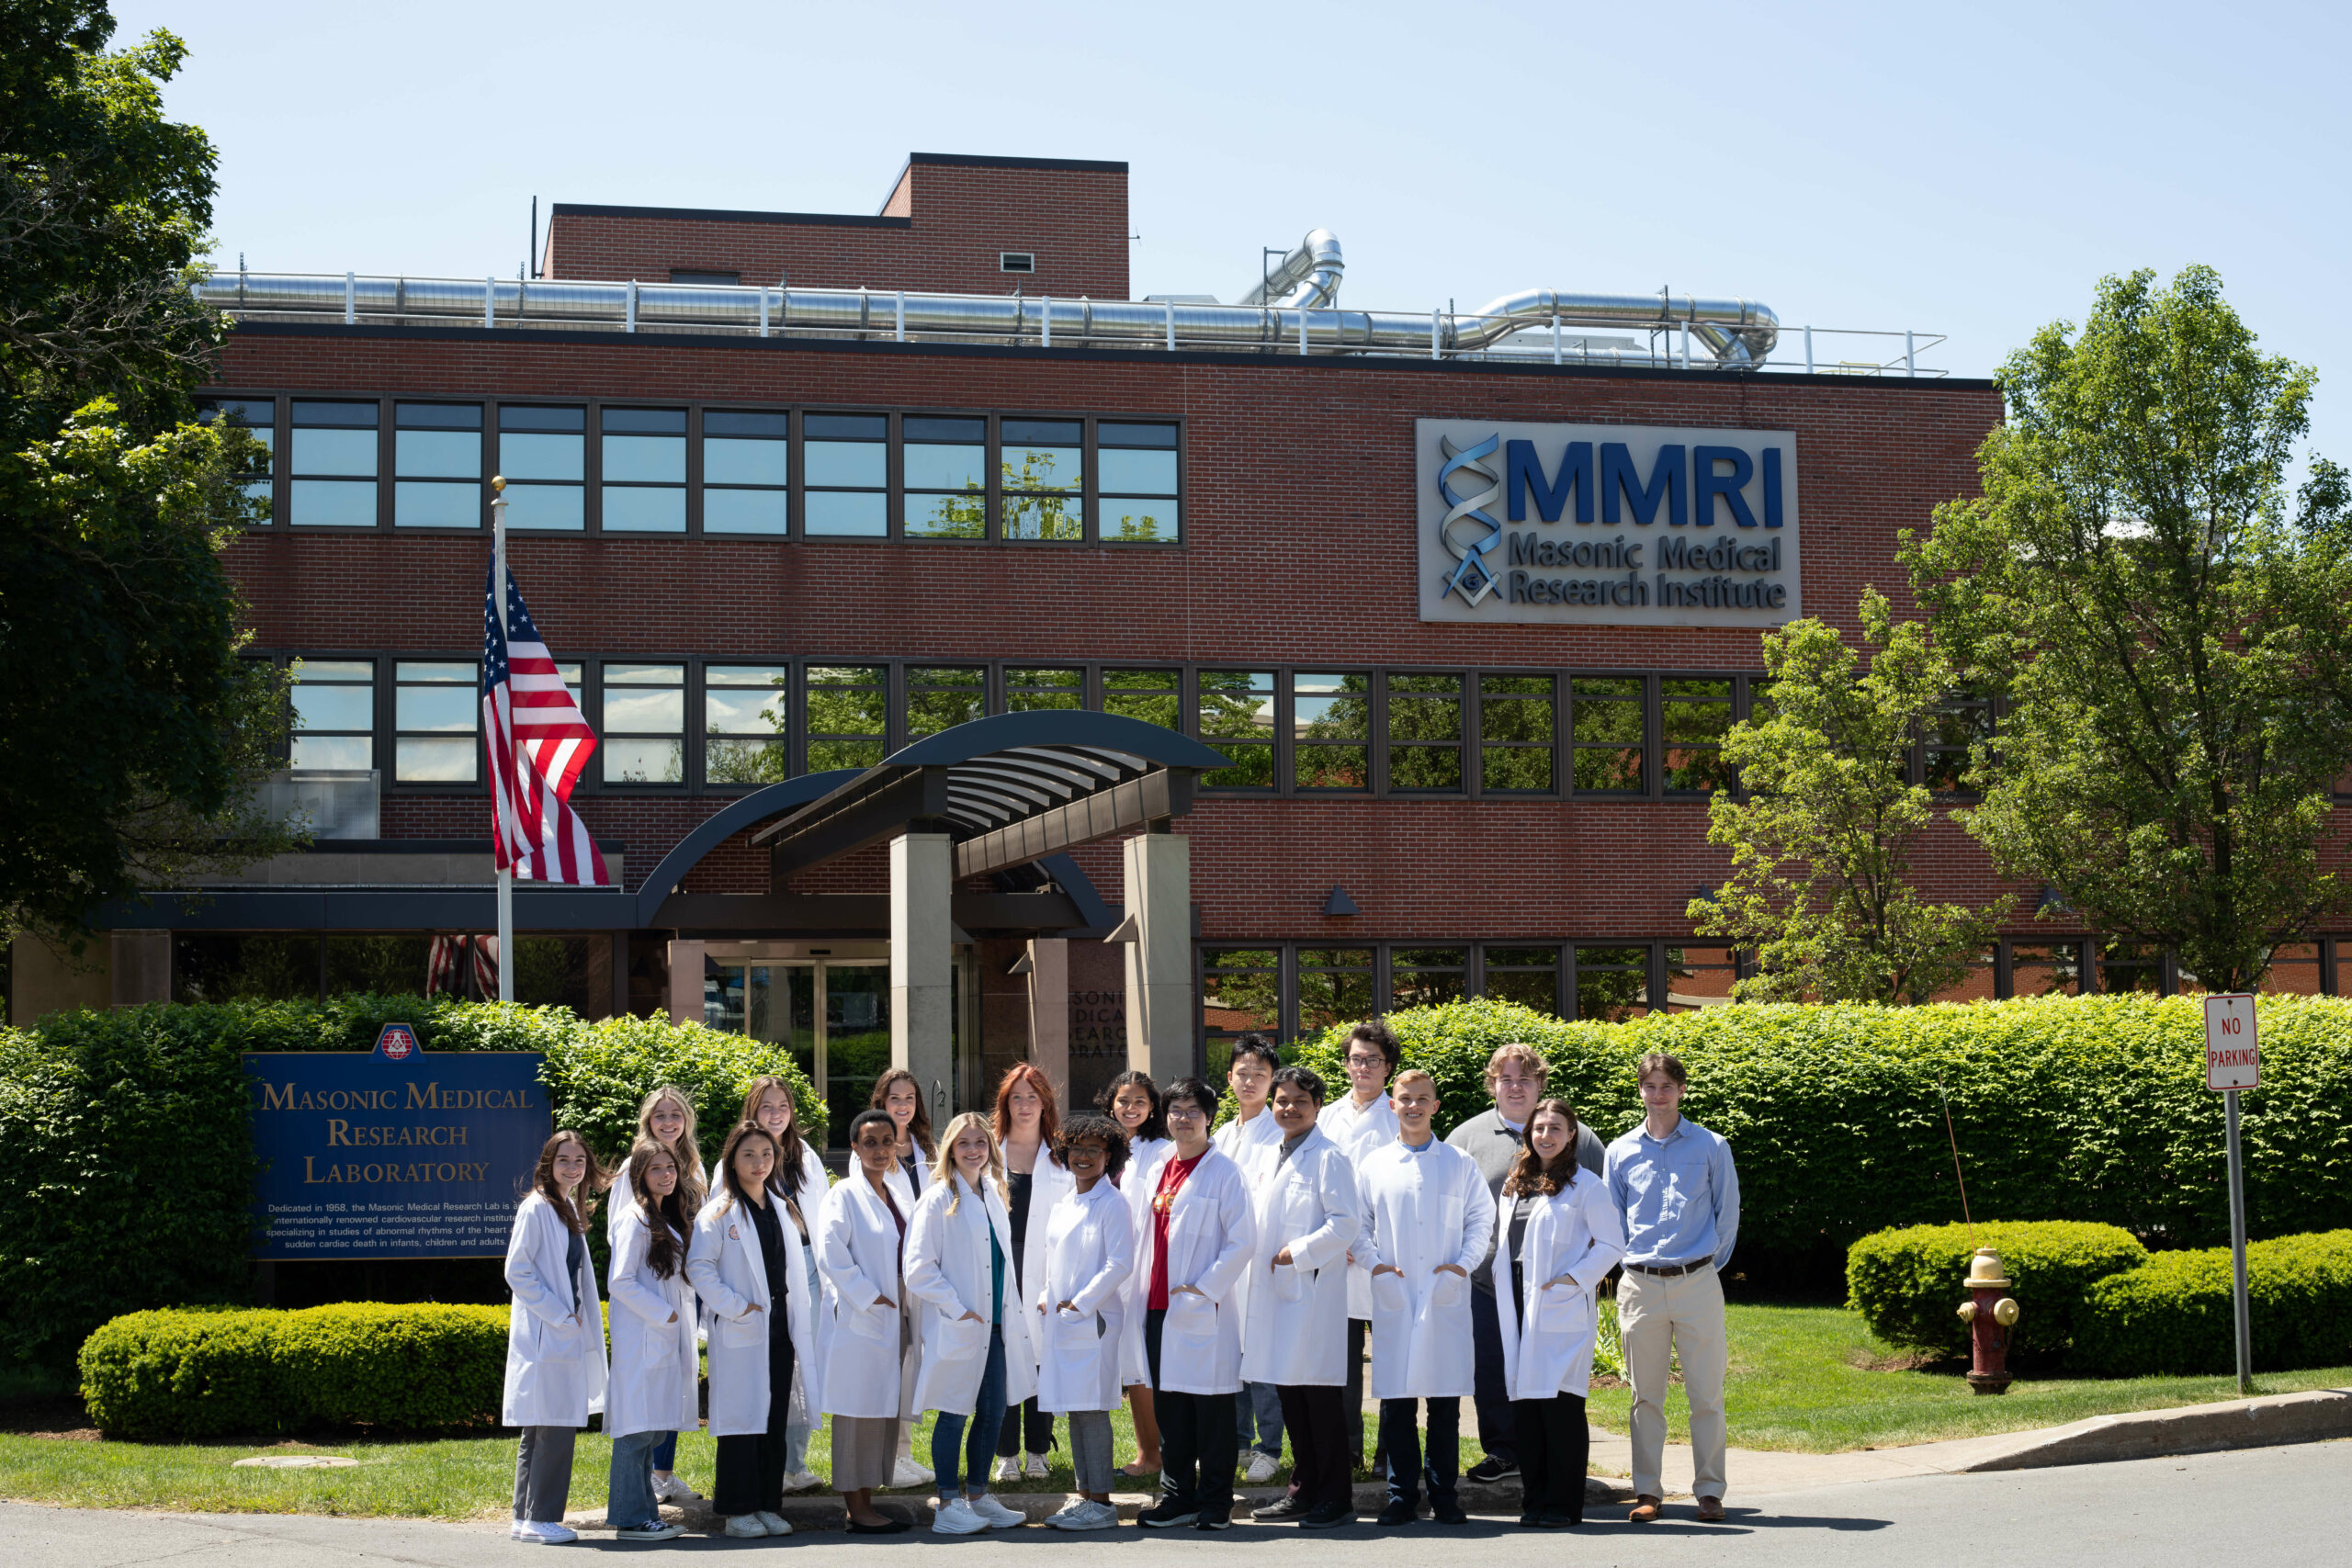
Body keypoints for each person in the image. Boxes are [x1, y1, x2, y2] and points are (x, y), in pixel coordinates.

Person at [1446, 1041, 1602, 1485]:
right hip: (1486, 1280)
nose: (1515, 1088)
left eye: (1525, 1079)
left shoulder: (1581, 1137)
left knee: (1553, 1371)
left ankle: (1549, 1452)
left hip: (1555, 1283)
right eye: (1506, 1079)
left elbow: (1601, 1206)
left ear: (1540, 1084)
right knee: (1492, 1368)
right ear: (1492, 1085)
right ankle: (1502, 1451)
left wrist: (1581, 1275)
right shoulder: (1466, 1138)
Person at [1605, 1051, 1739, 1525]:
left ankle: (1710, 1491)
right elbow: (1611, 1220)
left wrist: (1705, 1268)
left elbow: (1728, 1216)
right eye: (1650, 1086)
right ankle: (1648, 1492)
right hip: (1639, 1284)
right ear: (1640, 1090)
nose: (1658, 1095)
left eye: (1667, 1086)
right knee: (1646, 1396)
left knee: (1706, 1393)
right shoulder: (1619, 1151)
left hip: (1697, 1281)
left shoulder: (1711, 1146)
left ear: (1681, 1090)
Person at [1358, 1070, 1493, 1529]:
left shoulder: (1458, 1163)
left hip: (1443, 1293)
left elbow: (1481, 1219)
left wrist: (1463, 1265)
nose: (1412, 1106)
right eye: (1404, 1099)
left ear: (1435, 1106)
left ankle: (1444, 1494)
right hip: (1395, 1292)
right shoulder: (1374, 1165)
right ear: (1391, 1105)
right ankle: (1401, 1495)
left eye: (1422, 1099)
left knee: (1444, 1402)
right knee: (1397, 1401)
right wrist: (1375, 1264)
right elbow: (1356, 1224)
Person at [1238, 1066, 1361, 1529]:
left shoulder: (1329, 1157)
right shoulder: (1272, 1152)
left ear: (1317, 1108)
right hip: (1276, 1293)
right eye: (1282, 1100)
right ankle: (1304, 1489)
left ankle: (1336, 1498)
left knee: (1319, 1401)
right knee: (1291, 1398)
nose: (1289, 1108)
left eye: (1299, 1102)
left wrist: (1299, 1252)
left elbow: (1346, 1223)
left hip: (1308, 1293)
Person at [904, 1112, 1038, 1536]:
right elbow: (918, 1268)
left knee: (994, 1411)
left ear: (991, 1149)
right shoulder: (939, 1198)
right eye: (964, 1143)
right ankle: (947, 1504)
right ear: (950, 1149)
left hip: (996, 1327)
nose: (974, 1149)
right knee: (954, 1411)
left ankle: (979, 1496)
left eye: (981, 1142)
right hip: (961, 1324)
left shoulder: (993, 1193)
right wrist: (957, 1309)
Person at [1134, 1077, 1257, 1532]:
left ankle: (1215, 1501)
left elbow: (1243, 1240)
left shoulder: (1224, 1171)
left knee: (1212, 1412)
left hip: (1202, 1305)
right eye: (1175, 1111)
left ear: (1209, 1117)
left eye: (1192, 1111)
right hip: (1157, 1307)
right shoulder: (1160, 1165)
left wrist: (1204, 1289)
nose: (1182, 1119)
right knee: (1172, 1411)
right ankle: (1177, 1496)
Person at [1497, 1100, 1625, 1528]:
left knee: (1561, 1410)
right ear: (1528, 1133)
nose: (1546, 1135)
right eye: (1539, 1128)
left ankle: (1564, 1505)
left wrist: (1572, 1281)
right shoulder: (1516, 1183)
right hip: (1517, 1301)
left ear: (1571, 1134)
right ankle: (1534, 1503)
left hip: (1559, 1302)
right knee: (1527, 1413)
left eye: (1556, 1127)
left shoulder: (1587, 1185)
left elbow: (1611, 1245)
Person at [687, 1123, 818, 1540]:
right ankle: (736, 1510)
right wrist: (736, 1307)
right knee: (741, 1423)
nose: (759, 1163)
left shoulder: (781, 1206)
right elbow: (698, 1269)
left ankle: (767, 1504)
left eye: (766, 1154)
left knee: (773, 1420)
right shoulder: (718, 1212)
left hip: (779, 1333)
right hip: (743, 1332)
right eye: (749, 1155)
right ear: (731, 1160)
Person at [501, 1130, 609, 1546]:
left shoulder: (565, 1207)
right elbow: (518, 1271)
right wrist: (560, 1314)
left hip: (560, 1333)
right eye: (564, 1160)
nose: (573, 1167)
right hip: (550, 1334)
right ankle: (542, 1517)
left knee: (542, 1429)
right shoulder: (536, 1208)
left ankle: (525, 1518)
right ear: (548, 1163)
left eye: (579, 1161)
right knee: (555, 1428)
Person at [725, 1075, 830, 1494]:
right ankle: (770, 1465)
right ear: (753, 1110)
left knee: (805, 1365)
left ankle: (794, 1465)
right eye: (767, 1106)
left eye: (782, 1106)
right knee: (770, 1368)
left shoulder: (805, 1156)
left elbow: (821, 1217)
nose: (775, 1114)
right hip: (765, 1273)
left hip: (808, 1267)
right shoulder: (736, 1157)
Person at [818, 1109, 921, 1533]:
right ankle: (855, 1508)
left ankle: (868, 1502)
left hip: (896, 1310)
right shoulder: (843, 1194)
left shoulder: (896, 1192)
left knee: (881, 1410)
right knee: (855, 1411)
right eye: (870, 1142)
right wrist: (868, 1295)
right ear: (855, 1148)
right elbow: (830, 1252)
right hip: (865, 1312)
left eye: (886, 1141)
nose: (880, 1150)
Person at [605, 1085, 706, 1508]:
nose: (668, 1122)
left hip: (681, 1287)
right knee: (642, 1415)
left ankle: (660, 1478)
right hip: (654, 1301)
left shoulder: (695, 1169)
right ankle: (639, 1500)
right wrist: (662, 1312)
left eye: (675, 1115)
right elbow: (622, 1247)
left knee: (671, 1397)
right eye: (660, 1115)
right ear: (648, 1121)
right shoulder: (635, 1172)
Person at [1034, 1114, 1136, 1530]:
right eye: (1076, 1148)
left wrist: (1079, 1303)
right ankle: (1085, 1497)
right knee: (1076, 1410)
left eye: (1094, 1149)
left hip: (1091, 1321)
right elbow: (1053, 1258)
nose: (1083, 1156)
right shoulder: (1066, 1202)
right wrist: (1046, 1295)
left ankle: (1104, 1504)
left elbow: (1120, 1262)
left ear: (1109, 1156)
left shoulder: (1112, 1203)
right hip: (1065, 1320)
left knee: (1092, 1410)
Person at [1317, 1020, 1400, 1473]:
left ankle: (1389, 1449)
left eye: (1373, 1060)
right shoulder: (1327, 1115)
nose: (1363, 1066)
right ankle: (1347, 1448)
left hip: (1381, 1255)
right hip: (1335, 1256)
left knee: (1388, 1357)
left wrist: (1365, 1242)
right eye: (1356, 1058)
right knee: (1341, 1363)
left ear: (1388, 1068)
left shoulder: (1398, 1114)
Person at [1209, 1032, 1285, 1483]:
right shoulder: (1221, 1134)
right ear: (1230, 1079)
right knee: (1233, 1353)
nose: (1250, 1081)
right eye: (1243, 1073)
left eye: (1260, 1074)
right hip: (1228, 1262)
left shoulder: (1280, 1133)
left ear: (1272, 1080)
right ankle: (1237, 1441)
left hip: (1263, 1262)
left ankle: (1269, 1447)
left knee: (1261, 1357)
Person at [993, 1062, 1069, 1481]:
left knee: (1042, 1359)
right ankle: (1006, 1453)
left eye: (1032, 1097)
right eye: (1016, 1097)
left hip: (1046, 1266)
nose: (1025, 1105)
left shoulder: (1060, 1153)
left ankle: (1039, 1450)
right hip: (1003, 1264)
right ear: (1006, 1104)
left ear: (1045, 1103)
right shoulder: (988, 1149)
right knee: (1007, 1357)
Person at [1101, 1069, 1170, 1477]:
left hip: (1143, 1269)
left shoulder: (1160, 1150)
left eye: (1140, 1102)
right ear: (1112, 1102)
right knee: (1120, 1363)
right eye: (1124, 1100)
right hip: (1104, 1266)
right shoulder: (1099, 1145)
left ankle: (1153, 1455)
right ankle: (1143, 1453)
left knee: (1140, 1364)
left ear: (1152, 1108)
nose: (1131, 1108)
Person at [872, 1066, 938, 1488]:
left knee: (913, 1363)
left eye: (909, 1099)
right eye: (895, 1098)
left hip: (923, 1270)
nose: (902, 1105)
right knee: (893, 1363)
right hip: (891, 1270)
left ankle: (904, 1453)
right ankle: (888, 1458)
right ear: (882, 1102)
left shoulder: (926, 1148)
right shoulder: (874, 1149)